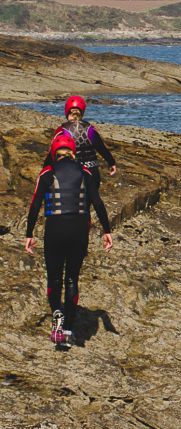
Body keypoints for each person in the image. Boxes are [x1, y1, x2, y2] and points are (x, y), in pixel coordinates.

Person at [24, 131, 113, 345]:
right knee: (72, 277)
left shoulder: (47, 172)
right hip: (79, 229)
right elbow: (97, 203)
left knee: (54, 278)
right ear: (73, 151)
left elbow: (35, 204)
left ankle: (57, 315)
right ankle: (69, 329)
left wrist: (29, 234)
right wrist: (106, 231)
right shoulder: (85, 172)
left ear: (54, 152)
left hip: (55, 229)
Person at [43, 95, 117, 183]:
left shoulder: (62, 131)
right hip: (92, 172)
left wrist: (45, 170)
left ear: (66, 111)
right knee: (93, 196)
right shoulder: (90, 129)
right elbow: (102, 149)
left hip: (72, 172)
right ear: (82, 112)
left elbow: (52, 153)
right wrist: (111, 163)